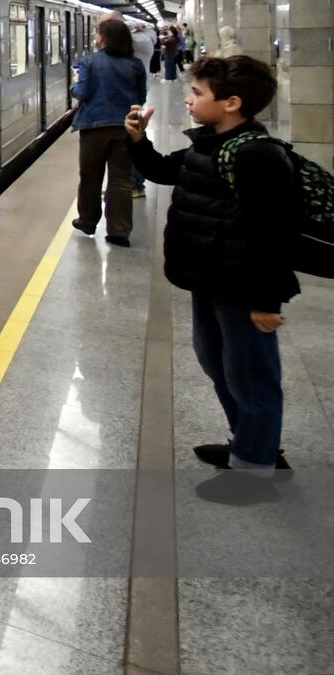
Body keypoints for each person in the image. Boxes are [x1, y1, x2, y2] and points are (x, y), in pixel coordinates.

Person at [126, 55, 297, 503]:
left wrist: (267, 301)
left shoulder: (257, 156)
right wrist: (138, 140)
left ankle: (255, 472)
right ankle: (248, 444)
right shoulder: (210, 144)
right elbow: (164, 170)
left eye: (198, 92)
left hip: (243, 286)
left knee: (251, 376)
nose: (188, 97)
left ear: (231, 103)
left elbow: (273, 234)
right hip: (210, 278)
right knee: (217, 362)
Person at [70, 12, 147, 246]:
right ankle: (119, 231)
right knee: (122, 178)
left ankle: (87, 221)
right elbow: (141, 96)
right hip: (125, 127)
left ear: (103, 38)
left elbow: (80, 93)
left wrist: (75, 82)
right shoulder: (135, 65)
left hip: (94, 127)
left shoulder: (89, 62)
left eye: (98, 33)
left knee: (91, 176)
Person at [128, 22, 157, 198]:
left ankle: (136, 184)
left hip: (131, 98)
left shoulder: (138, 44)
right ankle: (136, 184)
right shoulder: (147, 40)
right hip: (138, 94)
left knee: (131, 140)